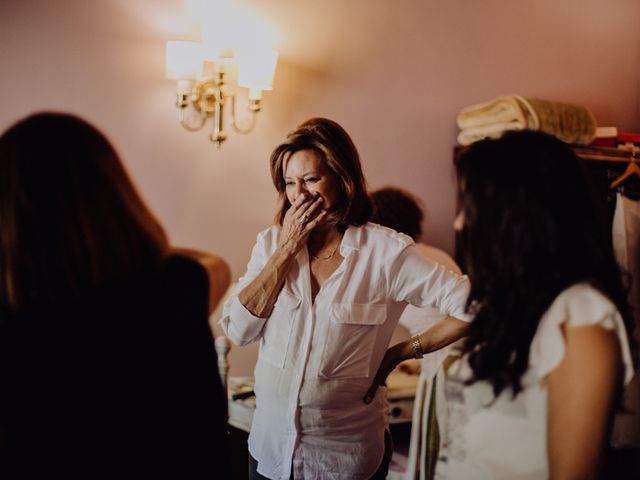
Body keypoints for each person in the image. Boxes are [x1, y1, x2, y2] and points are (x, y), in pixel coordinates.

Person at [220, 117, 472, 480]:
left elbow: (476, 306)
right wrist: (287, 249)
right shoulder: (269, 245)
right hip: (270, 455)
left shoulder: (387, 254)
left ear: (342, 178)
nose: (299, 194)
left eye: (311, 179)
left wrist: (401, 353)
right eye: (290, 183)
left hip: (344, 460)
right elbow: (239, 330)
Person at [0, 112, 230, 478]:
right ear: (112, 193)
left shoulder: (13, 311)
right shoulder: (172, 288)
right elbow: (216, 265)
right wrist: (131, 241)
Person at [434, 130, 635, 479]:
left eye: (469, 206)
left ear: (516, 215)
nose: (459, 222)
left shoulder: (580, 317)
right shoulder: (515, 307)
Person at [370, 186, 463, 480]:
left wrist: (395, 357)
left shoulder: (394, 262)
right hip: (469, 362)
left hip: (439, 361)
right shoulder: (437, 255)